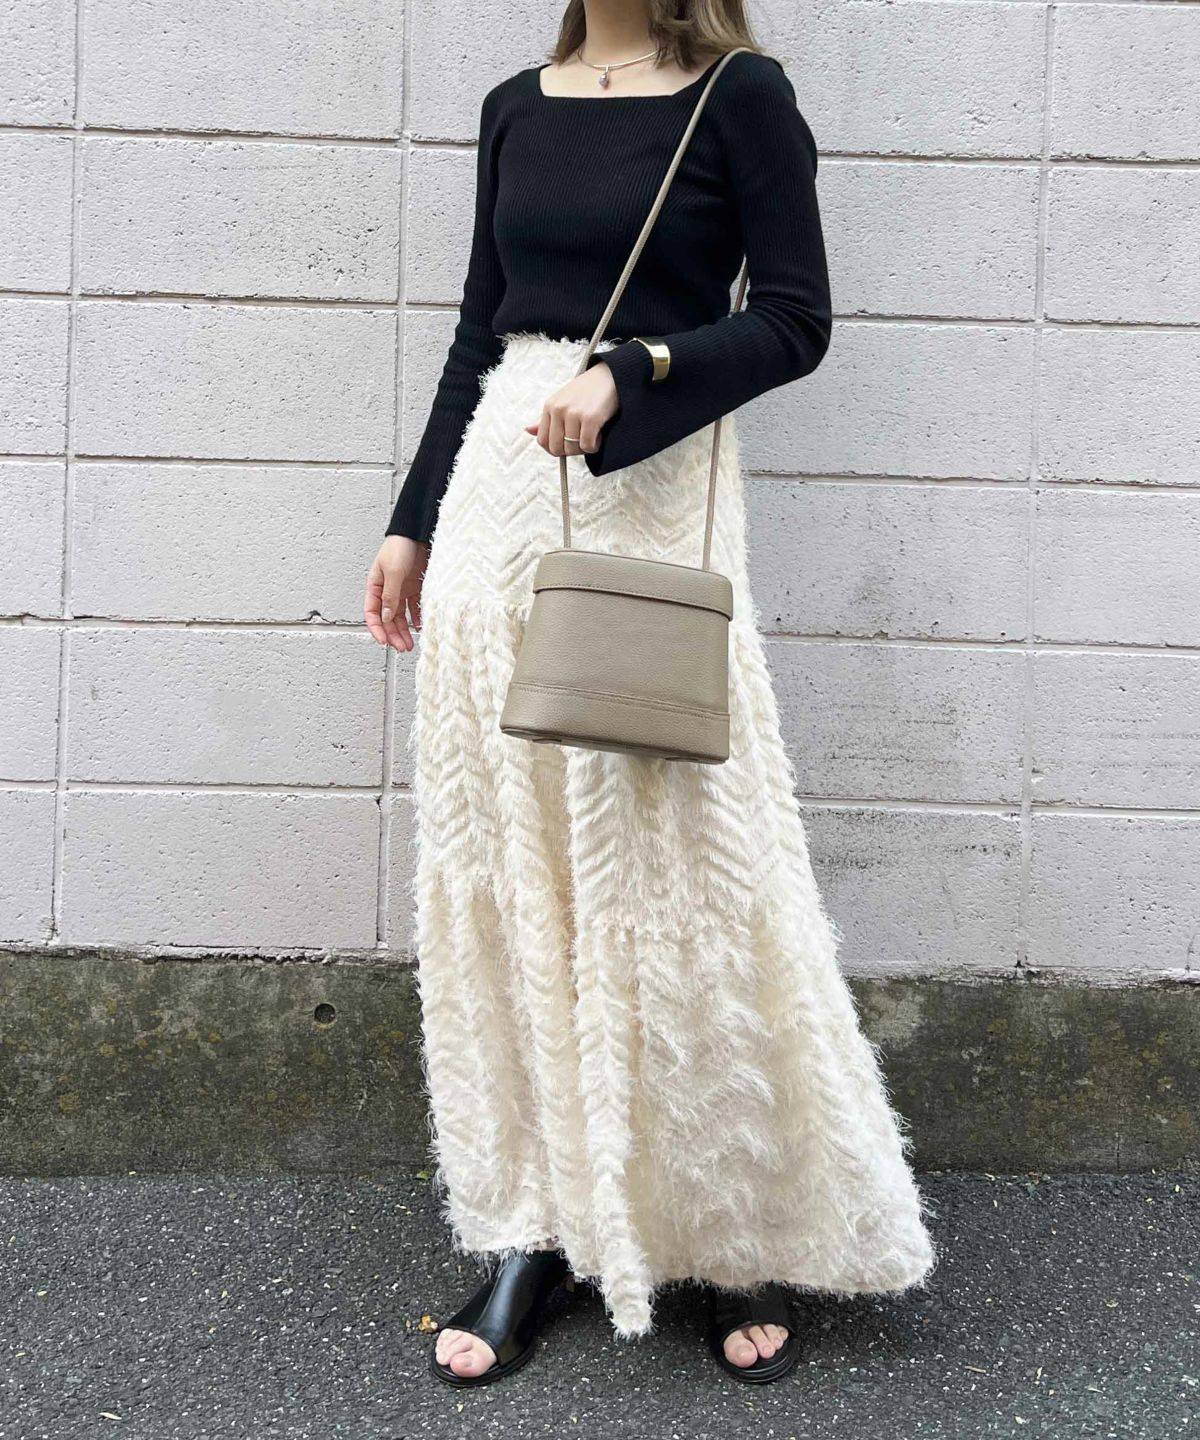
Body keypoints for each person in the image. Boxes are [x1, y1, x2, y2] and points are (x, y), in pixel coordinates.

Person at [364, 1, 936, 1389]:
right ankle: (532, 1222)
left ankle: (723, 1220)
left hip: (656, 488)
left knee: (680, 858)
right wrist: (412, 522)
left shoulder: (740, 95)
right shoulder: (517, 103)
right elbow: (478, 332)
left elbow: (794, 321)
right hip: (502, 496)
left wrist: (643, 370)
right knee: (518, 865)